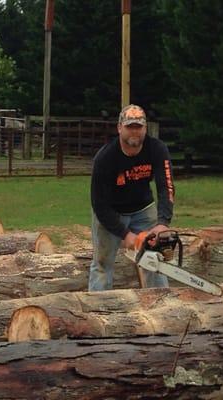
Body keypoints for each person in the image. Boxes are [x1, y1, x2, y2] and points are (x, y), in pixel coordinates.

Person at [89, 104, 175, 291]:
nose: (134, 132)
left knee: (155, 258)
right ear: (120, 128)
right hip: (111, 211)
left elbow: (166, 187)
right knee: (102, 263)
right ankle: (97, 308)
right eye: (130, 127)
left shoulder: (157, 149)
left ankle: (161, 303)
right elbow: (99, 204)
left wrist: (163, 222)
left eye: (139, 127)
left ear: (145, 128)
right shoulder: (105, 158)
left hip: (143, 208)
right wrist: (125, 234)